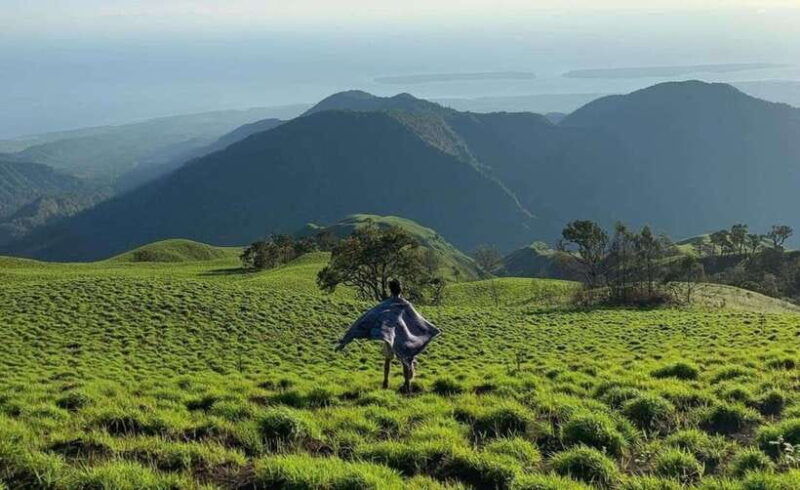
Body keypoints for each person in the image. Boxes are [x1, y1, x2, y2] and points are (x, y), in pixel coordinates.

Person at [335, 279, 440, 393]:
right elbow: (417, 320)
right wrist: (430, 329)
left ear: (390, 290)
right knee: (404, 359)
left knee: (388, 360)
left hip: (389, 336)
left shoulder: (386, 304)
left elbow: (367, 317)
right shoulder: (405, 304)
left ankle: (386, 382)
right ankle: (407, 385)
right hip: (402, 338)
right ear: (401, 290)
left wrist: (347, 338)